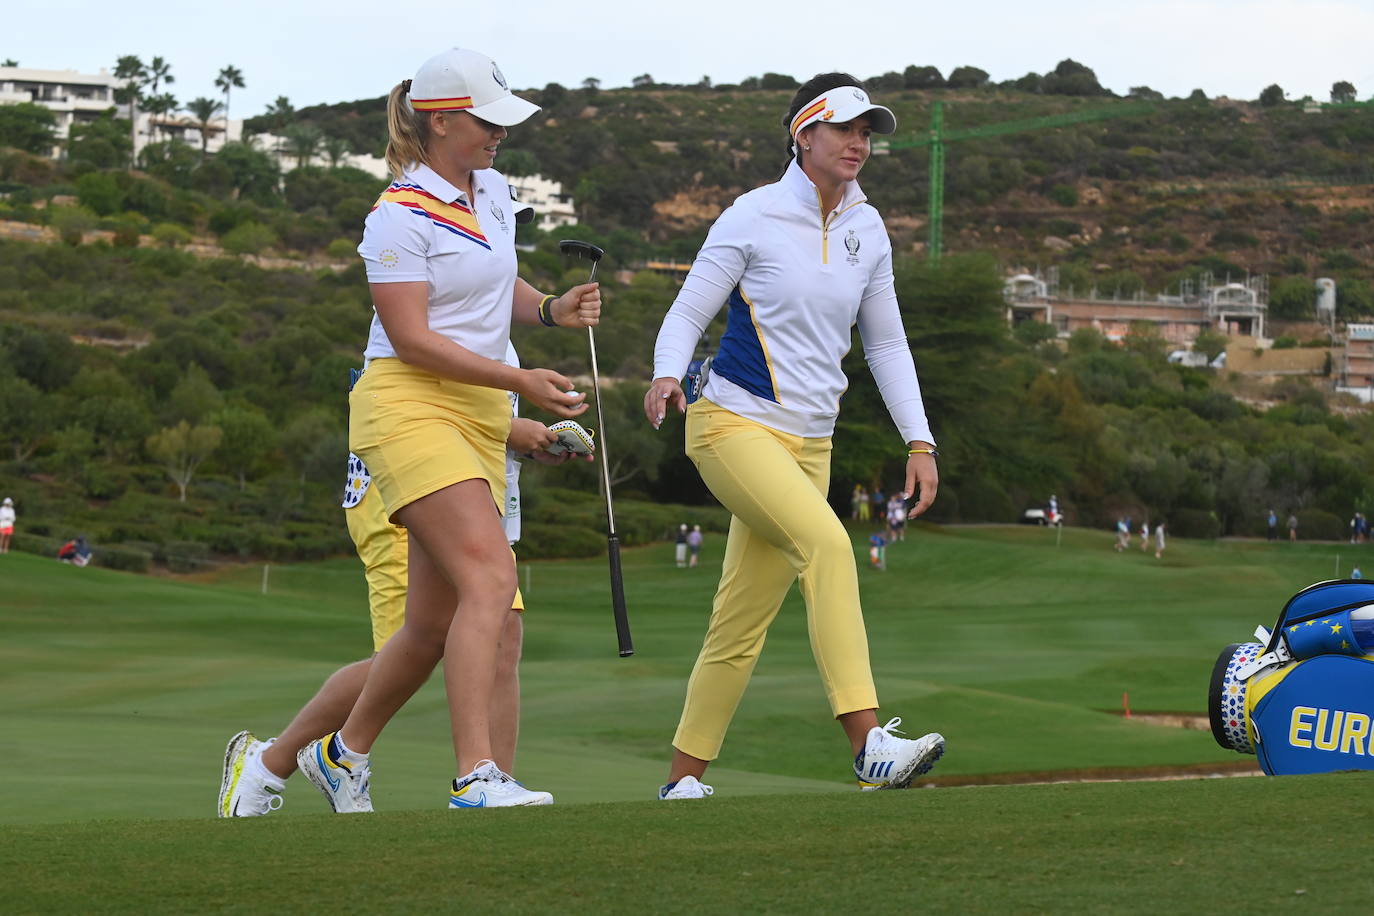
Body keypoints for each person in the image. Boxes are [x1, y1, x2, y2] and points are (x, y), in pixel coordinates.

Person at [290, 47, 601, 813]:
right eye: (486, 118)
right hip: (408, 405)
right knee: (491, 579)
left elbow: (497, 285)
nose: (500, 132)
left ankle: (341, 754)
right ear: (439, 120)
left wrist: (552, 310)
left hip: (474, 410)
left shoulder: (492, 193)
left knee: (429, 623)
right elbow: (413, 339)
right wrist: (519, 383)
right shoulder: (396, 214)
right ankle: (476, 776)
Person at [644, 72, 945, 800]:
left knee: (739, 622)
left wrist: (920, 441)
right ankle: (868, 743)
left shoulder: (867, 229)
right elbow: (688, 314)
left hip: (812, 445)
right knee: (830, 546)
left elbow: (886, 346)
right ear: (803, 134)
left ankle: (682, 782)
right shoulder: (751, 215)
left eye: (868, 132)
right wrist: (663, 374)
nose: (859, 143)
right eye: (845, 129)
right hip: (732, 426)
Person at [219, 348, 585, 817]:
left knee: (501, 631)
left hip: (464, 487)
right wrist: (519, 430)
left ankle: (494, 786)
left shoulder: (495, 311)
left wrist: (521, 434)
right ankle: (271, 764)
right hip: (400, 484)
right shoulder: (436, 284)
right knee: (410, 647)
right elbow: (422, 384)